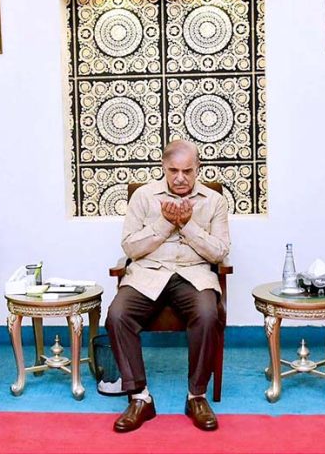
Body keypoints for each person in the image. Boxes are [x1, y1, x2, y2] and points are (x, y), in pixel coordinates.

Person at [105, 140, 230, 433]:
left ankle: (196, 396)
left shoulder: (215, 202)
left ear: (198, 169)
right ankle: (140, 397)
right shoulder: (144, 197)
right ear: (163, 167)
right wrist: (164, 224)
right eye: (173, 170)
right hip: (148, 274)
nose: (180, 178)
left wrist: (187, 225)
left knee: (209, 313)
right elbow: (130, 247)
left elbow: (220, 252)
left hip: (193, 274)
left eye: (187, 171)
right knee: (117, 315)